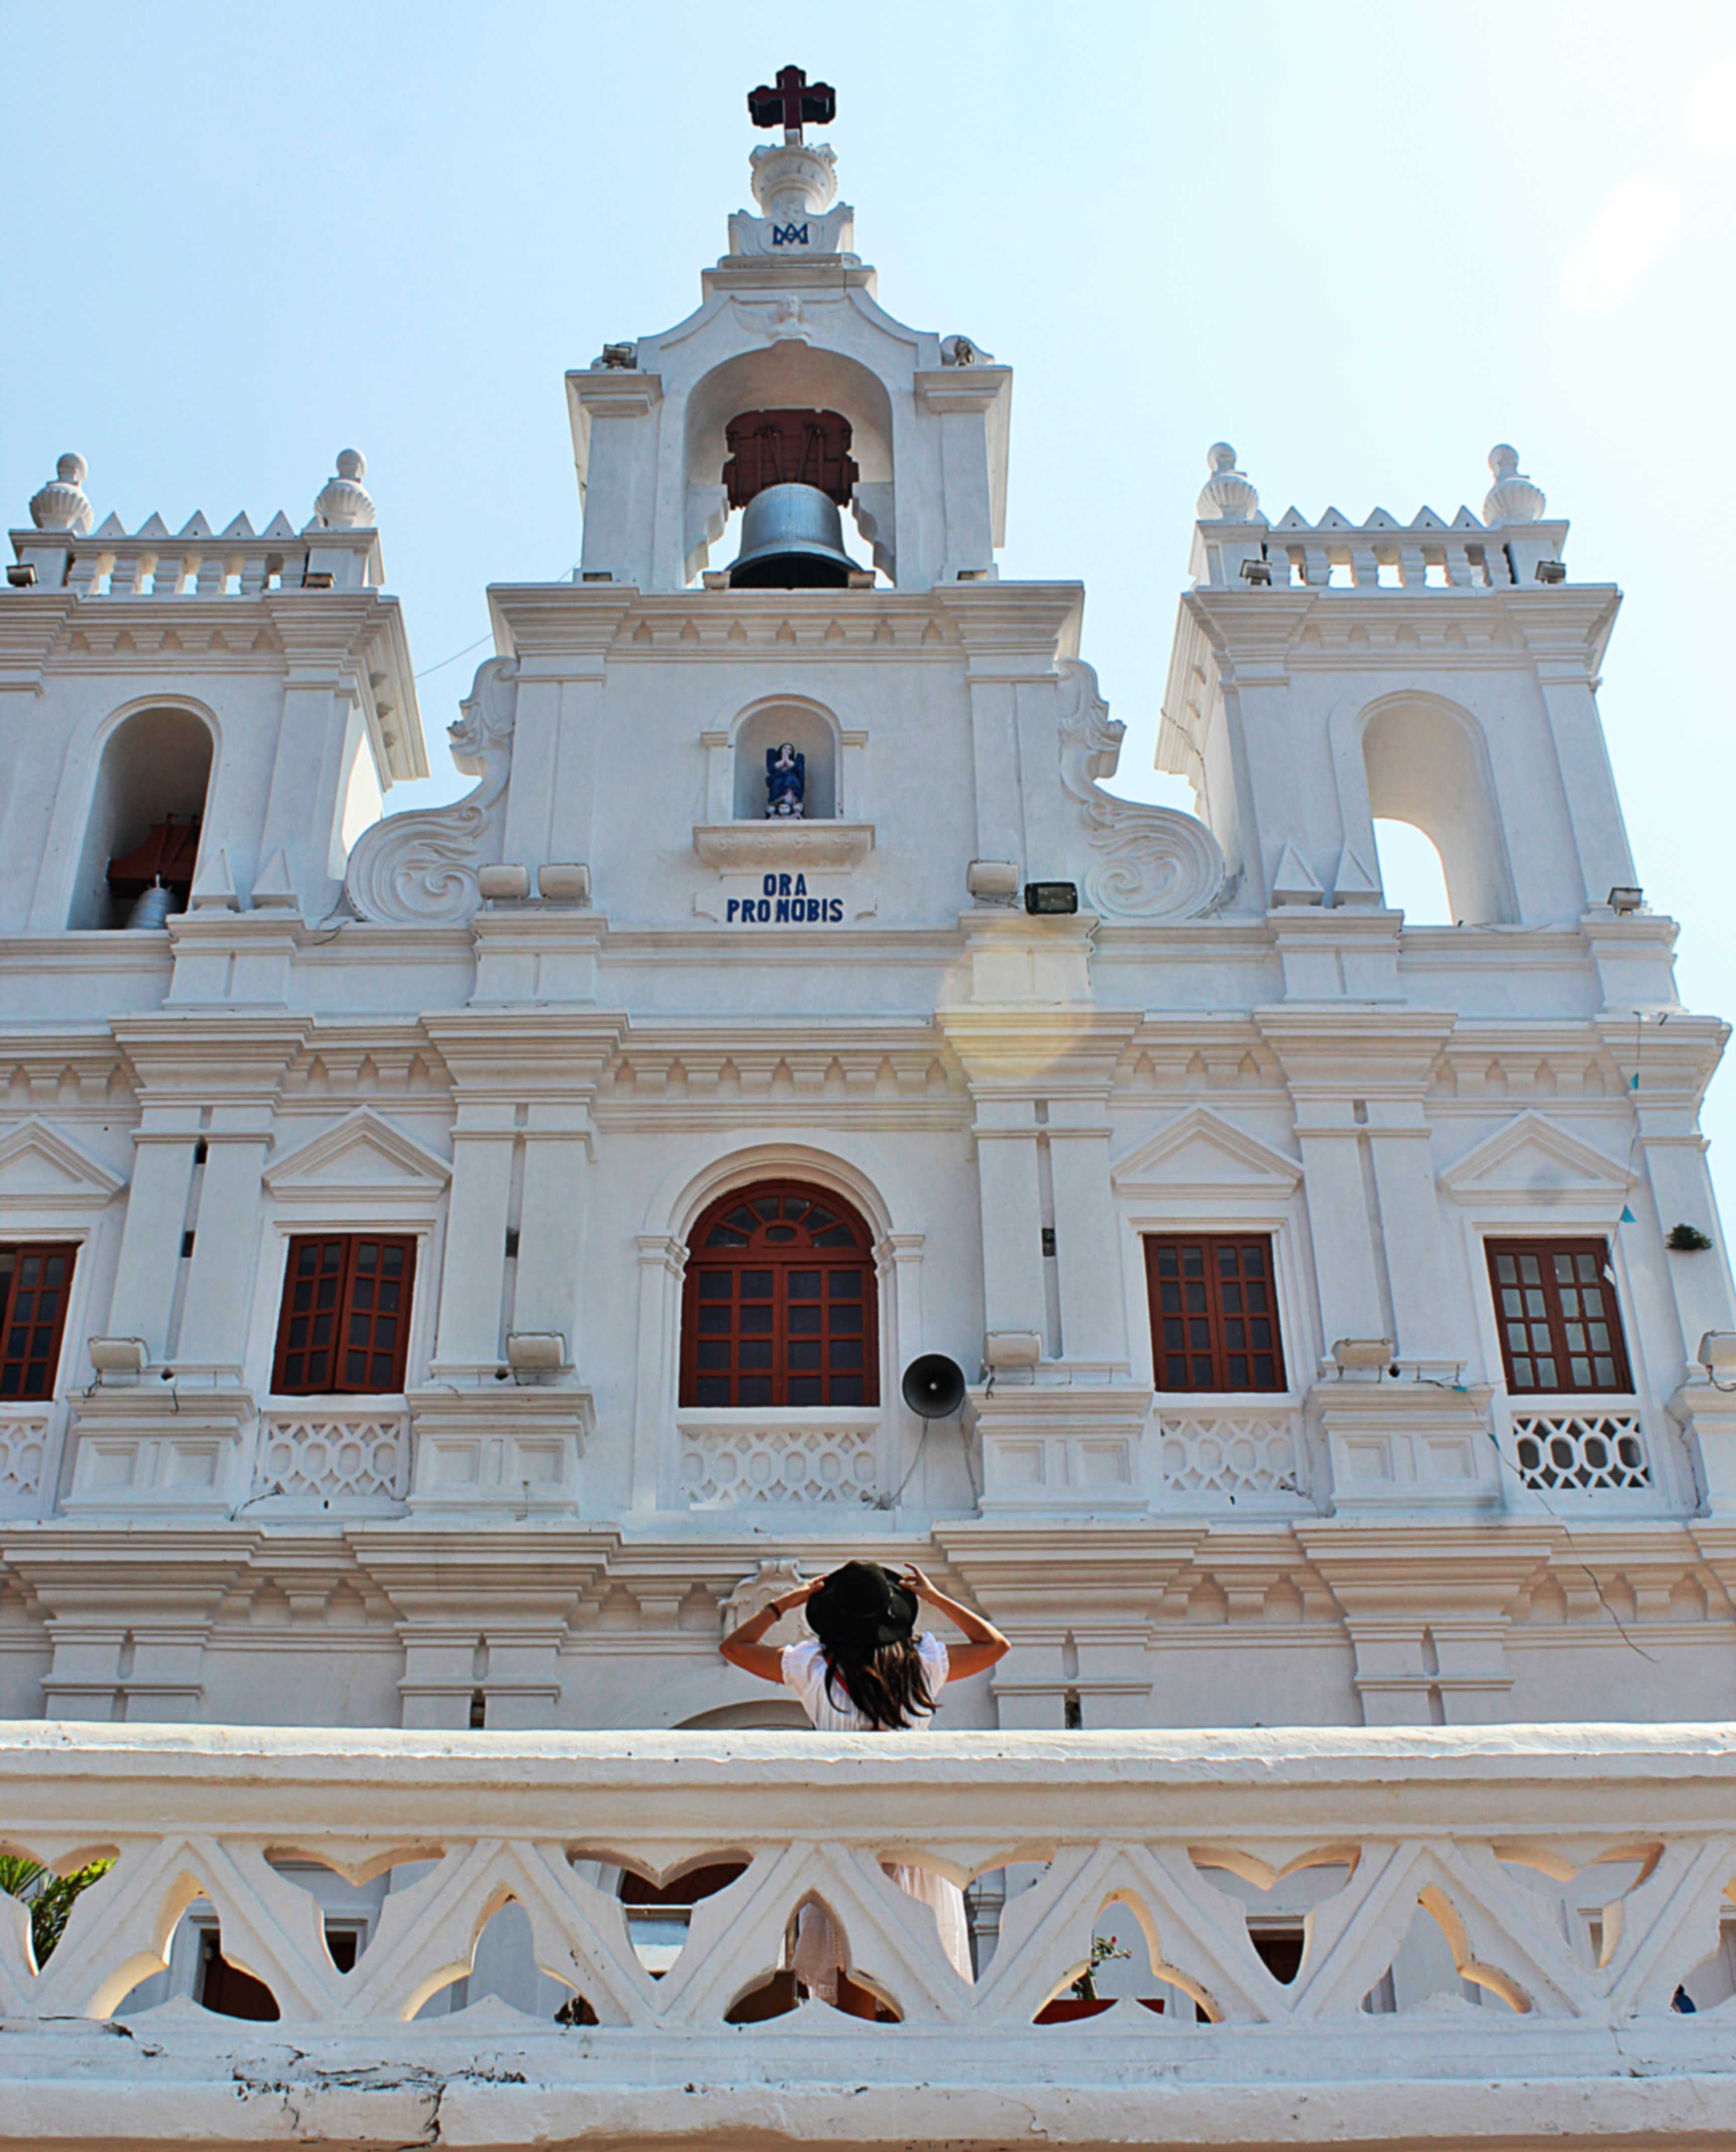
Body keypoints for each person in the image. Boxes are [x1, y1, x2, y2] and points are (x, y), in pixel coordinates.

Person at [719, 1559, 1010, 2018]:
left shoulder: (815, 1670)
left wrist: (785, 1603)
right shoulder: (922, 1666)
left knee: (852, 1976)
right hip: (912, 1836)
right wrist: (936, 1598)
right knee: (921, 1983)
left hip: (846, 1833)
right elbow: (994, 1645)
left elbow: (736, 1647)